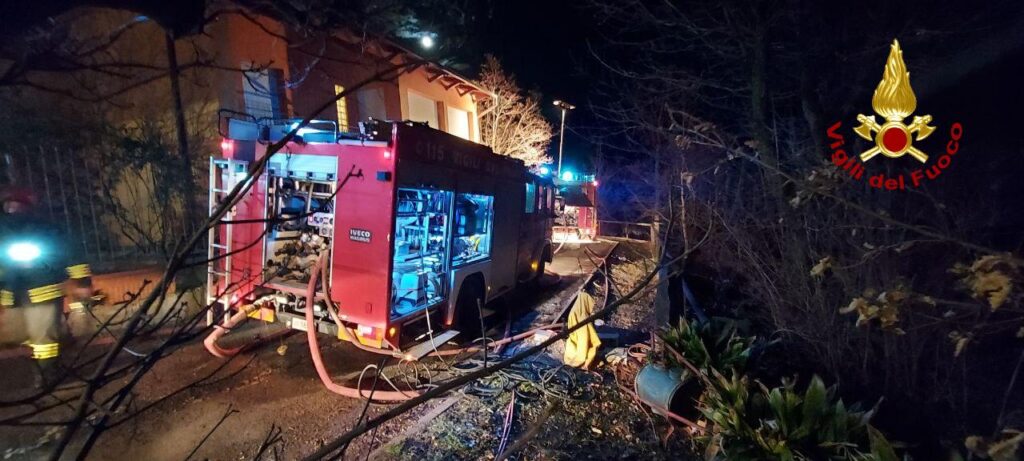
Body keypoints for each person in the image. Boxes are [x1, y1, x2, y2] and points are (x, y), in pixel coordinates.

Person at [0, 187, 93, 387]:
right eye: (9, 204)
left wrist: (82, 283)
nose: (13, 208)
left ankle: (48, 375)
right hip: (12, 294)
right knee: (23, 335)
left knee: (43, 338)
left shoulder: (46, 229)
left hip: (42, 289)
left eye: (17, 204)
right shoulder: (2, 230)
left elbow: (72, 254)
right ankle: (61, 340)